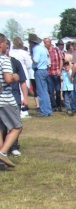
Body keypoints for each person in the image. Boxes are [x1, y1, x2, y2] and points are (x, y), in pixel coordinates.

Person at [0, 34, 22, 170]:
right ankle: (3, 152)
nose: (7, 46)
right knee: (17, 126)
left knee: (0, 128)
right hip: (5, 99)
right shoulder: (4, 60)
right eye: (5, 43)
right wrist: (16, 76)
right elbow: (8, 79)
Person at [5, 40, 28, 157]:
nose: (6, 49)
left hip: (14, 96)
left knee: (15, 124)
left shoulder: (15, 62)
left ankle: (14, 147)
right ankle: (4, 149)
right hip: (3, 98)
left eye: (8, 47)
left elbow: (22, 81)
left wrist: (25, 97)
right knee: (2, 125)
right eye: (5, 47)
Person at [28, 33, 52, 117]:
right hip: (44, 70)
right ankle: (48, 110)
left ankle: (44, 111)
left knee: (41, 92)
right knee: (45, 92)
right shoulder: (42, 48)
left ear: (31, 42)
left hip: (39, 70)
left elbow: (36, 60)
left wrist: (31, 57)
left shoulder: (36, 49)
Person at [44, 37, 64, 112]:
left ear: (50, 42)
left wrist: (60, 69)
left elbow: (61, 59)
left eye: (47, 42)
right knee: (51, 91)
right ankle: (53, 106)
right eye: (45, 42)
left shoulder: (56, 50)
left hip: (56, 72)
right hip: (49, 73)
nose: (45, 44)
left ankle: (59, 105)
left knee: (58, 90)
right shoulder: (45, 51)